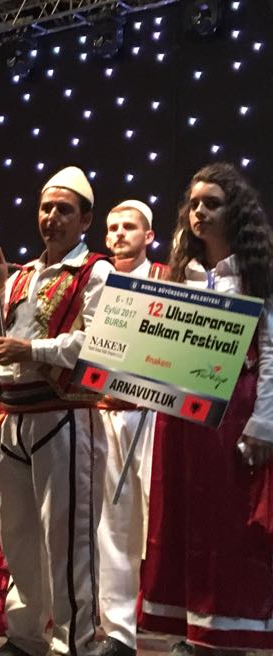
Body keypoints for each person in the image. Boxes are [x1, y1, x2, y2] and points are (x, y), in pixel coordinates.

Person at [0, 166, 113, 656]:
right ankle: (25, 634)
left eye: (63, 210)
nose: (51, 218)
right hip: (13, 413)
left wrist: (32, 350)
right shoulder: (21, 275)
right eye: (46, 208)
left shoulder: (97, 272)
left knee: (68, 535)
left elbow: (95, 342)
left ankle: (75, 641)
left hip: (62, 413)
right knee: (18, 535)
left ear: (85, 220)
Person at [140, 163, 273, 652]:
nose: (199, 212)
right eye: (194, 203)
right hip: (181, 415)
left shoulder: (257, 273)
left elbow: (271, 350)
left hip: (234, 414)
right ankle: (192, 629)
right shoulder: (182, 275)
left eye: (211, 203)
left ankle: (230, 629)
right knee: (182, 518)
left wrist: (264, 422)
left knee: (229, 524)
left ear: (234, 210)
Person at [96, 199, 168, 656]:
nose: (120, 234)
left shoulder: (168, 279)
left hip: (154, 416)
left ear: (149, 236)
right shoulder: (97, 279)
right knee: (114, 526)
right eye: (113, 228)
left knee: (160, 521)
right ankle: (118, 631)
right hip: (107, 411)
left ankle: (176, 625)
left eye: (129, 227)